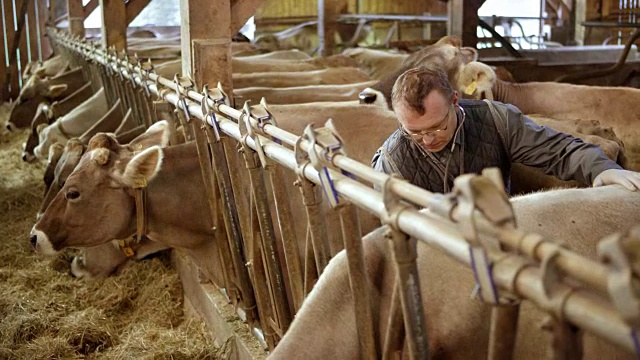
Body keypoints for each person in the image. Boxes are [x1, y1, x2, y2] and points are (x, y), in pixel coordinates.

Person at [371, 66, 640, 193]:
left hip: (499, 241)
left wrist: (602, 168)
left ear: (455, 100)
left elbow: (559, 151)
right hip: (435, 259)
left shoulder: (495, 120)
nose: (427, 139)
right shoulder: (393, 160)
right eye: (414, 132)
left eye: (437, 127)